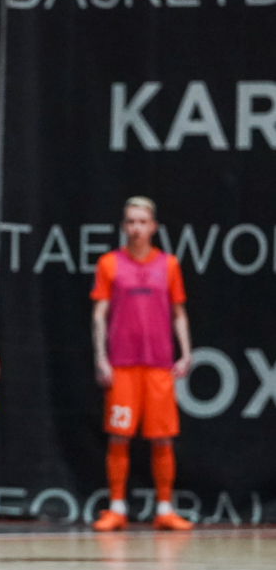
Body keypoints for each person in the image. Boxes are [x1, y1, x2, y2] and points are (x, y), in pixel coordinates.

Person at [90, 197, 193, 532]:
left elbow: (178, 313)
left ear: (153, 227)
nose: (136, 228)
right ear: (124, 226)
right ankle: (117, 508)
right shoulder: (109, 264)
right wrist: (101, 357)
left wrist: (186, 352)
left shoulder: (169, 265)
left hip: (159, 365)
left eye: (142, 222)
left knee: (163, 439)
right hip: (122, 364)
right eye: (131, 221)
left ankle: (165, 508)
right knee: (118, 437)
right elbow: (99, 314)